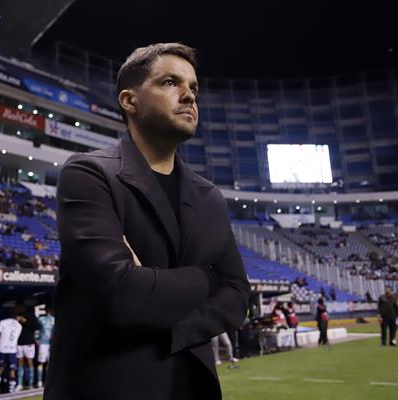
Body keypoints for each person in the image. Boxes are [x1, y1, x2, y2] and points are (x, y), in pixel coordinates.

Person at [44, 43, 251, 400]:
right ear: (129, 100)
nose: (189, 95)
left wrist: (172, 324)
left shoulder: (209, 196)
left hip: (191, 386)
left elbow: (237, 296)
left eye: (193, 87)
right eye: (170, 82)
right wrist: (206, 278)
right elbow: (119, 295)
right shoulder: (88, 173)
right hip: (105, 387)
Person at [0, 313, 22, 394]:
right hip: (12, 350)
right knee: (12, 369)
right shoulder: (19, 325)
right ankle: (11, 390)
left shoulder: (3, 322)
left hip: (2, 348)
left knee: (0, 368)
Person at [15, 312, 38, 391]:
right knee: (20, 363)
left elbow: (35, 327)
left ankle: (31, 384)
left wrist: (26, 322)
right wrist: (17, 321)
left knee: (30, 362)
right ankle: (19, 384)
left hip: (29, 344)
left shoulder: (30, 316)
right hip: (19, 344)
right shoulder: (16, 319)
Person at [35, 306, 55, 389]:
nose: (48, 311)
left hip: (52, 344)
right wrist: (37, 339)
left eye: (50, 310)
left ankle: (48, 381)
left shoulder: (54, 319)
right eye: (47, 310)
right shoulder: (41, 319)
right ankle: (39, 381)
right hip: (43, 343)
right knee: (41, 362)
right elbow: (37, 330)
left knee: (50, 363)